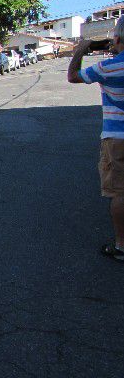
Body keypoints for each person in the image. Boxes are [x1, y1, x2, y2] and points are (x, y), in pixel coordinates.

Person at [67, 16, 124, 262]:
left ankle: (122, 245)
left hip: (117, 137)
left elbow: (73, 76)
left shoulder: (109, 68)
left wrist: (80, 50)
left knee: (120, 191)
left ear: (118, 38)